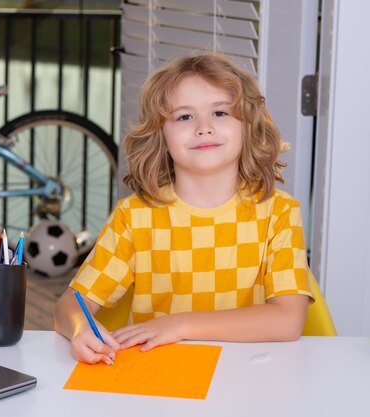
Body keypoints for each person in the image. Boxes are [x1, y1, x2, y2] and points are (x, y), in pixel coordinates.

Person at [54, 53, 314, 365]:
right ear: (160, 137)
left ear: (248, 126)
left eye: (220, 112)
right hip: (157, 379)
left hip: (250, 377)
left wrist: (180, 324)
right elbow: (70, 305)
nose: (204, 128)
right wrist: (81, 327)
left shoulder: (280, 212)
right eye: (184, 117)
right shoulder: (133, 216)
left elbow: (288, 321)